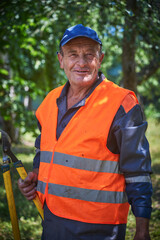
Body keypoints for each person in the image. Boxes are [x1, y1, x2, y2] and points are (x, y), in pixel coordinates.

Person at [18, 24, 152, 240]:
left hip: (99, 229)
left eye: (89, 55)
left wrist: (142, 230)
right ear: (61, 60)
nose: (81, 62)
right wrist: (35, 175)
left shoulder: (121, 104)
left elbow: (138, 171)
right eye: (73, 54)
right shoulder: (49, 101)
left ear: (100, 59)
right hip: (51, 220)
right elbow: (44, 150)